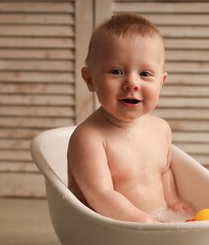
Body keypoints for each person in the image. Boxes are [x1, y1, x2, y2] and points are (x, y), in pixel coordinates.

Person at [67, 13, 195, 223]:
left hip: (156, 222)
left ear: (161, 82)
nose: (132, 83)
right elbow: (100, 196)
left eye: (145, 74)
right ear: (90, 79)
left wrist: (173, 201)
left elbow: (164, 172)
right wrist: (144, 222)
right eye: (116, 71)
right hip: (109, 230)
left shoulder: (160, 129)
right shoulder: (89, 138)